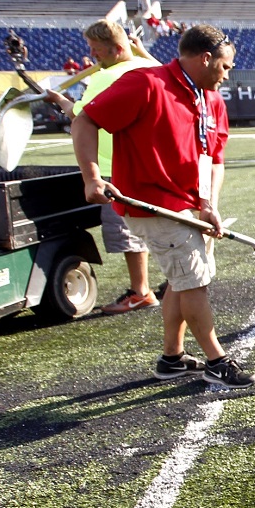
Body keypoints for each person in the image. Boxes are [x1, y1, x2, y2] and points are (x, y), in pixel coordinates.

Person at [71, 24, 255, 388]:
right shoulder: (147, 83)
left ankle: (171, 358)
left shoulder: (211, 98)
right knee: (194, 285)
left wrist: (209, 205)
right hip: (153, 206)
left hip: (192, 206)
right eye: (226, 66)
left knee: (181, 282)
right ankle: (217, 360)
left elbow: (213, 159)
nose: (228, 74)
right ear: (206, 58)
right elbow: (85, 120)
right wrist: (91, 177)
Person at [45, 20, 162, 315]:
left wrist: (59, 100)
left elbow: (79, 115)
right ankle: (164, 284)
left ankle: (141, 291)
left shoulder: (105, 79)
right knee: (155, 229)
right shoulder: (146, 69)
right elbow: (166, 71)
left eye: (97, 51)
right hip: (148, 164)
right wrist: (141, 52)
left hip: (115, 169)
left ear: (117, 49)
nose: (93, 57)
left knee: (127, 233)